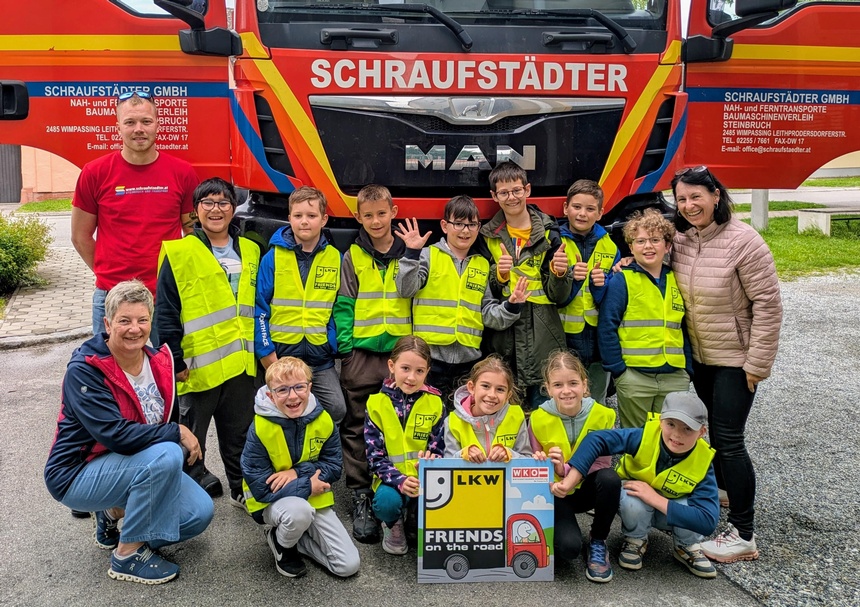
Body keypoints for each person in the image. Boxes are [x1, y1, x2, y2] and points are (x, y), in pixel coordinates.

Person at [44, 280, 214, 585]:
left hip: (135, 465)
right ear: (108, 324)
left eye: (142, 320)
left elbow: (159, 426)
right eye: (124, 321)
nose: (134, 329)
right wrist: (177, 431)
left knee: (198, 514)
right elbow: (117, 436)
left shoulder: (160, 362)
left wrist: (172, 437)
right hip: (77, 474)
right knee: (168, 451)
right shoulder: (85, 369)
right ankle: (127, 554)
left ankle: (112, 513)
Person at [670, 166, 782, 563]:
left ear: (716, 195)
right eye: (681, 199)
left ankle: (744, 534)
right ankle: (726, 498)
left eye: (696, 196)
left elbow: (768, 306)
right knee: (713, 437)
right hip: (701, 358)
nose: (688, 206)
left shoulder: (745, 241)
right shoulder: (682, 239)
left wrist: (757, 364)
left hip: (737, 360)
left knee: (730, 441)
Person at [155, 178, 259, 504]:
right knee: (190, 437)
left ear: (233, 208)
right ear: (196, 211)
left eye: (223, 203)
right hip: (198, 366)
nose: (216, 210)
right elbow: (166, 309)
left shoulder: (252, 249)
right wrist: (174, 357)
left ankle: (241, 489)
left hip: (241, 363)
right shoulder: (180, 251)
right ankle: (185, 498)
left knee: (239, 435)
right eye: (208, 203)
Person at [71, 91, 198, 345]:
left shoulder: (183, 173)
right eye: (130, 122)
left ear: (158, 125)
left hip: (166, 296)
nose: (138, 129)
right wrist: (106, 273)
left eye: (146, 122)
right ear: (118, 126)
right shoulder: (94, 173)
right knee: (109, 377)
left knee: (173, 372)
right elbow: (80, 236)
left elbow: (191, 230)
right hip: (112, 296)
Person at [552, 392, 720, 579]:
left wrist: (655, 498)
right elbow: (596, 439)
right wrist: (570, 479)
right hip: (637, 505)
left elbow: (708, 521)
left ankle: (685, 545)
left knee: (693, 510)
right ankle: (635, 539)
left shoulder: (704, 460)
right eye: (670, 424)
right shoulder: (645, 435)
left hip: (669, 513)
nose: (677, 434)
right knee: (631, 495)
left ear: (702, 432)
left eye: (688, 429)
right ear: (661, 421)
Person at [334, 184, 412, 544]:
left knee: (400, 423)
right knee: (357, 424)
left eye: (382, 213)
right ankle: (362, 494)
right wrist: (347, 351)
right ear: (358, 218)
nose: (376, 220)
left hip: (400, 358)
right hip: (361, 356)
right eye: (368, 215)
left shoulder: (411, 253)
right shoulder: (352, 255)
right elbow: (345, 305)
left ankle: (399, 492)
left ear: (393, 212)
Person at [394, 195, 526, 407]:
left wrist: (511, 305)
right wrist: (412, 253)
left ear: (478, 227)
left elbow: (489, 316)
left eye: (471, 225)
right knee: (427, 418)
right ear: (445, 226)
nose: (465, 231)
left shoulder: (481, 264)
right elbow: (405, 289)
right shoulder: (428, 255)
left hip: (468, 363)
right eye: (459, 224)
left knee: (462, 421)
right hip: (429, 361)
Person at [241, 357, 359, 579]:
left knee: (348, 566)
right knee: (298, 513)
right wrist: (307, 485)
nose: (293, 396)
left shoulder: (324, 420)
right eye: (282, 390)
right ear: (270, 395)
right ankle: (281, 543)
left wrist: (296, 472)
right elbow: (261, 487)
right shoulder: (260, 428)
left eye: (299, 387)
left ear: (310, 387)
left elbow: (334, 466)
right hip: (273, 501)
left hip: (313, 495)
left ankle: (299, 538)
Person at [480, 161, 572, 410]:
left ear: (527, 190)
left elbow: (560, 296)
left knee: (544, 423)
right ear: (494, 196)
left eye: (517, 190)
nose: (511, 197)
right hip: (504, 341)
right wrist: (498, 277)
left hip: (543, 339)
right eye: (504, 192)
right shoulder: (486, 236)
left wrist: (560, 272)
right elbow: (485, 294)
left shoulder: (550, 233)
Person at [255, 186, 346, 425]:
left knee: (336, 409)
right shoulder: (272, 257)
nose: (304, 222)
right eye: (298, 216)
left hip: (319, 357)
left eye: (311, 216)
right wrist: (267, 354)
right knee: (281, 414)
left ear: (324, 219)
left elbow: (339, 307)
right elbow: (259, 309)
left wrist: (332, 342)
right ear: (289, 219)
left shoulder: (335, 258)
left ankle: (319, 457)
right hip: (282, 355)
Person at [529, 351, 620, 583]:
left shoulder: (604, 416)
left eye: (573, 383)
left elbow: (601, 463)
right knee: (569, 549)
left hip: (588, 489)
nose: (566, 390)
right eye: (558, 385)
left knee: (610, 478)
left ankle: (598, 540)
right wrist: (545, 463)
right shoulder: (537, 419)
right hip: (555, 495)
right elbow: (532, 467)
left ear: (585, 385)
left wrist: (565, 470)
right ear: (548, 388)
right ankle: (554, 532)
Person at [598, 209, 692, 429]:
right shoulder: (622, 281)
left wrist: (688, 369)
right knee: (636, 440)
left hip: (674, 376)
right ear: (630, 247)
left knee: (671, 439)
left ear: (667, 245)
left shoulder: (677, 279)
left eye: (655, 240)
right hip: (635, 377)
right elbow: (607, 327)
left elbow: (683, 327)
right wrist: (619, 371)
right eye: (640, 241)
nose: (648, 246)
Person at [364, 336, 445, 555]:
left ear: (427, 371)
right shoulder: (376, 404)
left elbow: (438, 448)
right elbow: (374, 457)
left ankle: (415, 521)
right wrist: (399, 480)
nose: (411, 377)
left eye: (419, 371)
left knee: (437, 506)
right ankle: (392, 524)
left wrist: (431, 463)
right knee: (387, 503)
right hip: (391, 480)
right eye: (405, 368)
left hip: (425, 478)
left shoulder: (435, 403)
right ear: (392, 366)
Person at [556, 180, 620, 403]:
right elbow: (554, 295)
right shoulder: (554, 241)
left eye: (590, 209)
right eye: (577, 207)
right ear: (566, 208)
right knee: (565, 397)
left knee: (596, 400)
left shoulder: (610, 247)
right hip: (565, 337)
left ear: (601, 213)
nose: (582, 214)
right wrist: (570, 278)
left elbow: (612, 299)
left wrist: (601, 286)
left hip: (597, 338)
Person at [444, 355, 532, 461]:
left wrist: (510, 454)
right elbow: (447, 463)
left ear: (508, 395)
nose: (492, 395)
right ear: (472, 388)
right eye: (485, 386)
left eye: (500, 389)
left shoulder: (516, 416)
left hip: (506, 478)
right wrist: (463, 454)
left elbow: (528, 459)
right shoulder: (452, 421)